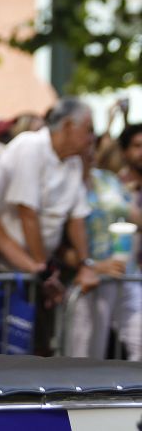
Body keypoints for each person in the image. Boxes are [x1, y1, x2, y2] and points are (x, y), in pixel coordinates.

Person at [0, 97, 98, 289]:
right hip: (2, 267)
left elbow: (77, 219)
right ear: (68, 125)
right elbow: (28, 213)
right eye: (89, 129)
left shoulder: (73, 161)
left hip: (32, 268)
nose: (92, 138)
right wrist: (45, 271)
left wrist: (85, 264)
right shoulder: (31, 145)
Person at [63, 142, 142, 360]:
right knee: (87, 353)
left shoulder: (107, 179)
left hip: (127, 274)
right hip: (91, 280)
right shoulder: (65, 185)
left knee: (138, 341)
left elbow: (133, 215)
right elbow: (59, 245)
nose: (89, 152)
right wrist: (92, 265)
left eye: (91, 146)